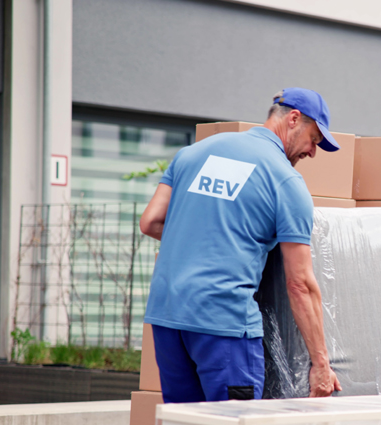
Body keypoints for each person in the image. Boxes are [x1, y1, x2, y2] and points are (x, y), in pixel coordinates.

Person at [139, 87, 342, 403]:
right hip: (224, 325)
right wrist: (320, 364)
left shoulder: (192, 154)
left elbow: (150, 221)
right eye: (314, 139)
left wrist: (203, 237)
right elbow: (300, 284)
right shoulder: (285, 181)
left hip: (168, 318)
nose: (312, 152)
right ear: (294, 119)